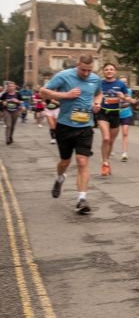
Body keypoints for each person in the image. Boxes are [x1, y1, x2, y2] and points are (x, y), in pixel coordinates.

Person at [40, 55, 102, 214]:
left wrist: (97, 103)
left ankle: (81, 199)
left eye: (89, 70)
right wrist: (65, 95)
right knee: (64, 162)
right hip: (65, 126)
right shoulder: (64, 76)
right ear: (77, 65)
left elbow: (98, 93)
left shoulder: (95, 79)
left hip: (85, 127)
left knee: (82, 161)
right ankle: (60, 178)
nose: (87, 73)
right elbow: (43, 92)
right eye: (83, 70)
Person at [96, 63, 134, 176]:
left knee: (111, 141)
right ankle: (104, 163)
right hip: (103, 113)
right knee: (106, 139)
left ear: (115, 71)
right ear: (103, 71)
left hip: (116, 114)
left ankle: (106, 160)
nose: (109, 71)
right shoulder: (99, 84)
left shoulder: (120, 84)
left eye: (111, 69)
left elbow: (129, 99)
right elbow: (93, 96)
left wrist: (123, 97)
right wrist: (96, 103)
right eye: (106, 69)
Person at [117, 77, 139, 162]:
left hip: (126, 113)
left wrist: (136, 100)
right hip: (115, 114)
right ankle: (109, 149)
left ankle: (124, 153)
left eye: (125, 82)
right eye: (122, 82)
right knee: (112, 135)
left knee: (125, 133)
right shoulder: (115, 91)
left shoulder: (128, 91)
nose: (124, 84)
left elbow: (132, 101)